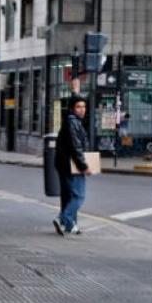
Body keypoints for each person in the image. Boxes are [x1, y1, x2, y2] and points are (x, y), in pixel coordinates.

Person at [53, 95, 92, 236]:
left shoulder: (71, 121)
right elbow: (76, 147)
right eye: (78, 107)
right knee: (79, 196)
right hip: (72, 166)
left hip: (64, 164)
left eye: (84, 107)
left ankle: (68, 225)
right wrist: (84, 166)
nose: (82, 110)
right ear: (72, 109)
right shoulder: (73, 123)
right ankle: (63, 218)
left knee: (69, 196)